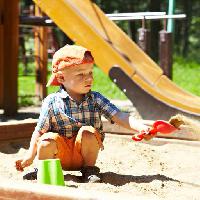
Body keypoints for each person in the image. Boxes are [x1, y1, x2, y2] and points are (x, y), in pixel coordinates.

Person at [15, 44, 155, 183]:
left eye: (90, 73)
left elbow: (119, 115)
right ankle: (44, 169)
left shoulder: (95, 99)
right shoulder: (51, 102)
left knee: (88, 132)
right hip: (58, 156)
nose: (88, 78)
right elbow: (39, 131)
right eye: (81, 74)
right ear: (61, 78)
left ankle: (89, 170)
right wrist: (29, 156)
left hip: (83, 155)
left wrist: (141, 127)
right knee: (46, 140)